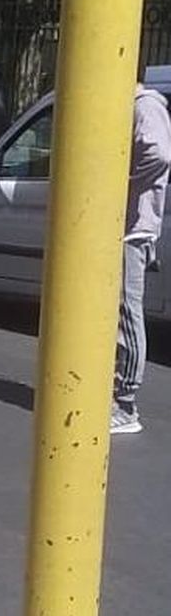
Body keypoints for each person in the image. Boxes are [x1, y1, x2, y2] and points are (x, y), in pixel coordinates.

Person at [111, 69, 171, 435]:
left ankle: (125, 402)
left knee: (125, 308)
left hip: (132, 228)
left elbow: (159, 155)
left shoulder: (144, 106)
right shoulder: (129, 107)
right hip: (123, 225)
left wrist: (125, 182)